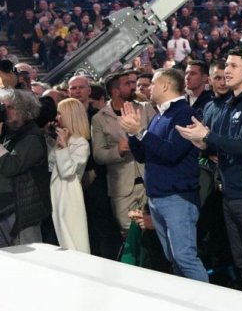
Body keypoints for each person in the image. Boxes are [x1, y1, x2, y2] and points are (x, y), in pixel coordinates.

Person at [177, 47, 242, 295]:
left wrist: (208, 136)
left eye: (232, 66)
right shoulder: (228, 104)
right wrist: (202, 143)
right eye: (226, 65)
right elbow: (223, 143)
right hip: (229, 193)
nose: (226, 70)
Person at [120, 68, 208, 282]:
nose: (149, 88)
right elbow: (142, 155)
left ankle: (208, 298)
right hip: (157, 197)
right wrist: (132, 133)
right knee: (173, 257)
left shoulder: (184, 113)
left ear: (166, 86)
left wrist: (141, 132)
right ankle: (186, 297)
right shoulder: (160, 115)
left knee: (185, 257)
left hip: (177, 197)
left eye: (153, 83)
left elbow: (172, 152)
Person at [91, 72, 156, 235]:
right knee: (127, 234)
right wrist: (118, 151)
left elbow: (157, 138)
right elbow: (98, 155)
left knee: (155, 232)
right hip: (121, 187)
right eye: (127, 84)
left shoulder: (146, 108)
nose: (133, 86)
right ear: (115, 91)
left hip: (150, 182)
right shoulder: (99, 118)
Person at [0, 89, 51, 246]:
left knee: (28, 254)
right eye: (3, 107)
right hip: (6, 206)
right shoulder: (8, 132)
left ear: (24, 110)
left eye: (10, 107)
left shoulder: (32, 137)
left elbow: (11, 166)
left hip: (23, 209)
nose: (5, 112)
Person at [49, 98, 91, 253]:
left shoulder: (81, 143)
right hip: (57, 193)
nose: (56, 118)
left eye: (60, 114)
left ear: (70, 116)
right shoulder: (60, 139)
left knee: (72, 240)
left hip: (69, 195)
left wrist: (63, 147)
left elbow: (67, 171)